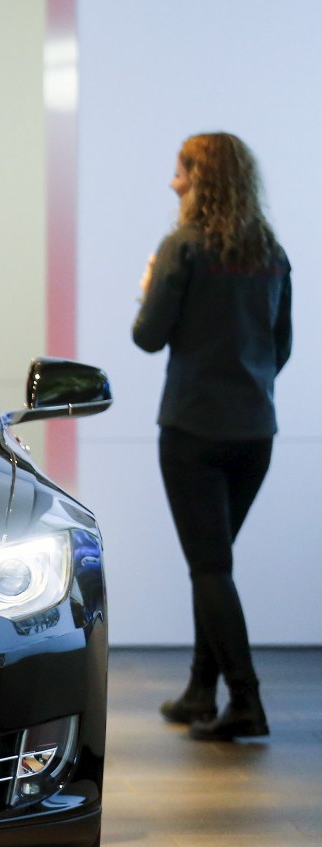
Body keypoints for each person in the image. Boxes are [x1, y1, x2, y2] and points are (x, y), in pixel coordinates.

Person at [133, 132, 290, 741]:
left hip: (192, 429)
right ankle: (202, 689)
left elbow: (148, 336)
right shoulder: (269, 251)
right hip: (255, 432)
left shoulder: (182, 248)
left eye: (181, 172)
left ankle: (245, 699)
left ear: (201, 179)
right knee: (215, 564)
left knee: (209, 566)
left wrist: (150, 285)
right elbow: (281, 347)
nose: (173, 182)